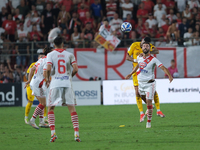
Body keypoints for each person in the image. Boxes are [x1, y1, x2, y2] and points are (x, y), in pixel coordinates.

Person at [125, 42, 173, 128]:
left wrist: (169, 75)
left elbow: (163, 67)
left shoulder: (153, 59)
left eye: (147, 46)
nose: (145, 47)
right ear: (142, 48)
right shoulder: (139, 57)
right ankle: (150, 107)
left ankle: (148, 122)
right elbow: (137, 66)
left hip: (150, 84)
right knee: (141, 97)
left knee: (149, 102)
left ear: (150, 48)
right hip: (141, 83)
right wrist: (130, 74)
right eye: (144, 46)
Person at [45, 36, 80, 142]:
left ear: (54, 45)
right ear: (63, 44)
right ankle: (76, 134)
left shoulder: (50, 55)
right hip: (67, 84)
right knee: (72, 110)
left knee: (51, 109)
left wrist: (47, 79)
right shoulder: (69, 55)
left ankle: (53, 134)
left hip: (55, 83)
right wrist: (69, 77)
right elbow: (76, 69)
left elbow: (48, 69)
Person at [24, 47, 53, 128]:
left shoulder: (41, 59)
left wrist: (29, 80)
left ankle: (41, 122)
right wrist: (47, 80)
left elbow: (32, 69)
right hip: (38, 84)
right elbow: (44, 73)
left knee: (42, 103)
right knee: (43, 103)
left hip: (34, 82)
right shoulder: (47, 61)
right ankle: (32, 120)